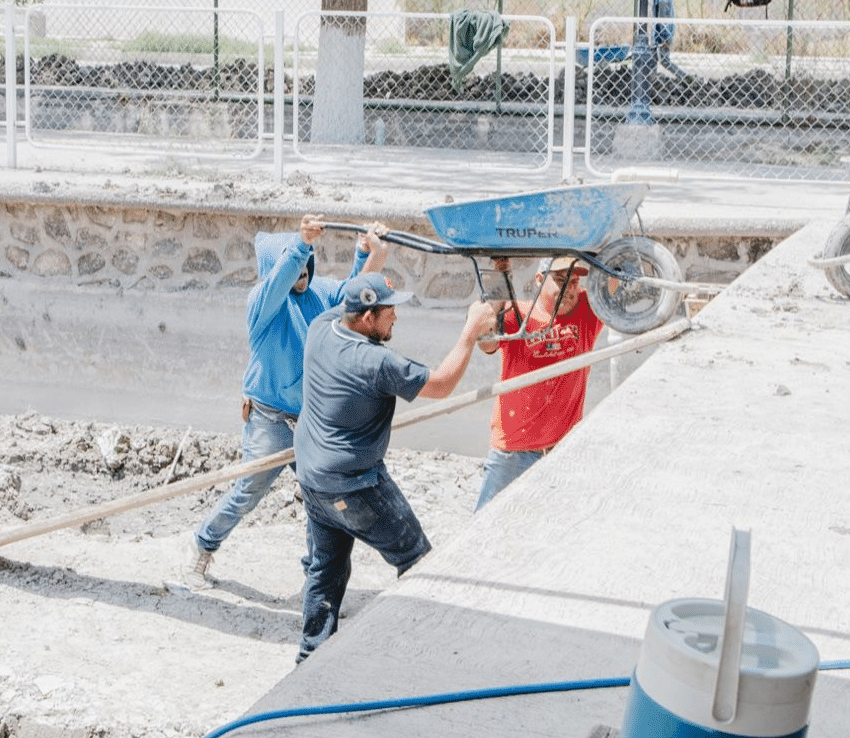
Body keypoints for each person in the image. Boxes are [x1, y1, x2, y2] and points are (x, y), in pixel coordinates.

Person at [178, 213, 387, 591]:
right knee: (248, 492)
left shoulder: (320, 293)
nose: (302, 274)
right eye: (295, 267)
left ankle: (316, 578)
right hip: (269, 420)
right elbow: (281, 279)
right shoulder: (263, 303)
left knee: (322, 499)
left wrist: (368, 253)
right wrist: (302, 244)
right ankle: (202, 545)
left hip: (310, 421)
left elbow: (353, 297)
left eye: (307, 266)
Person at [292, 274, 495, 662]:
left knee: (326, 569)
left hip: (313, 479)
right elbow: (441, 384)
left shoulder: (322, 327)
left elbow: (350, 294)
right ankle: (413, 654)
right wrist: (470, 332)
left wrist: (375, 258)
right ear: (368, 317)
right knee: (418, 560)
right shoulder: (376, 362)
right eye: (390, 312)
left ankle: (309, 658)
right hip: (354, 485)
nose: (396, 318)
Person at [473, 256, 606, 510]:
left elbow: (611, 285)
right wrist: (500, 276)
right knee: (487, 523)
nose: (568, 289)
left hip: (562, 451)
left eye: (574, 282)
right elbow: (486, 343)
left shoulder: (586, 312)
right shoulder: (518, 314)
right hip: (513, 452)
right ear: (539, 279)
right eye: (560, 280)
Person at [629, 0, 690, 124]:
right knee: (653, 62)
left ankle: (686, 78)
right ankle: (651, 87)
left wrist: (664, 39)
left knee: (664, 61)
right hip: (659, 38)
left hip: (661, 39)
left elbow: (663, 21)